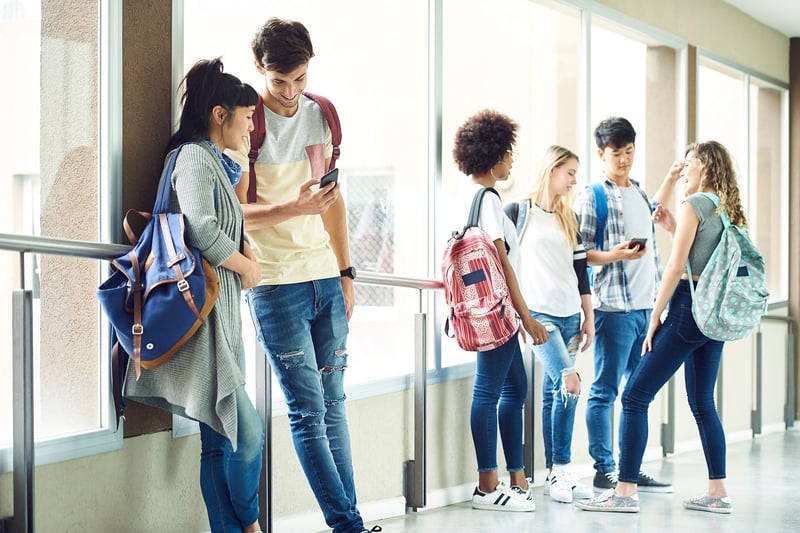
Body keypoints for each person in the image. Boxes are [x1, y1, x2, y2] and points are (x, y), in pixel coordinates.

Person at [226, 18, 380, 533]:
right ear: (259, 69)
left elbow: (332, 202)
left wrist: (346, 273)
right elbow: (235, 213)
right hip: (274, 285)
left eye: (299, 79)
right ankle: (349, 525)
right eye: (279, 82)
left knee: (334, 407)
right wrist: (293, 207)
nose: (290, 92)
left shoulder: (323, 115)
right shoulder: (247, 123)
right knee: (308, 411)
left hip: (325, 280)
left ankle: (349, 524)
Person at [124, 58, 264, 533]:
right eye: (247, 118)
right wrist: (246, 266)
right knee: (248, 436)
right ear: (220, 114)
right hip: (205, 325)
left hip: (217, 321)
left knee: (218, 444)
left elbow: (222, 219)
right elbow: (202, 227)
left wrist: (241, 165)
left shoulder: (209, 159)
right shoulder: (194, 157)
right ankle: (249, 524)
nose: (251, 128)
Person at [576, 140, 741, 513]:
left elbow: (676, 266)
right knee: (703, 402)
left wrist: (655, 316)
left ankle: (624, 492)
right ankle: (718, 493)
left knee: (634, 397)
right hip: (712, 315)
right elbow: (703, 260)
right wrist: (671, 228)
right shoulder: (724, 207)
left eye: (689, 164)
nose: (683, 171)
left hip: (686, 311)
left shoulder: (694, 203)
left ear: (705, 167)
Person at [452, 109, 549, 512]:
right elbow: (502, 263)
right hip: (497, 311)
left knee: (515, 388)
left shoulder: (468, 197)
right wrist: (526, 316)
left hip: (487, 309)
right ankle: (487, 487)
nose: (512, 161)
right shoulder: (488, 200)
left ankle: (517, 477)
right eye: (509, 153)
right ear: (493, 157)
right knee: (489, 391)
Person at [574, 117, 673, 493]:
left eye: (629, 151)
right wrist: (615, 255)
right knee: (605, 391)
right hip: (613, 310)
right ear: (601, 154)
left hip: (646, 310)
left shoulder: (641, 194)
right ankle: (605, 469)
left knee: (638, 394)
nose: (624, 159)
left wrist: (658, 305)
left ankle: (630, 469)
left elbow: (654, 234)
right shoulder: (592, 196)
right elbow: (579, 254)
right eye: (616, 153)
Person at [505, 145, 595, 504]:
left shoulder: (569, 217)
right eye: (570, 172)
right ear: (552, 169)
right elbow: (504, 266)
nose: (573, 181)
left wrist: (588, 317)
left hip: (571, 315)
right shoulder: (518, 213)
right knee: (570, 383)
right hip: (539, 316)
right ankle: (561, 467)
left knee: (555, 393)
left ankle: (554, 475)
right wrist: (519, 315)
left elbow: (581, 272)